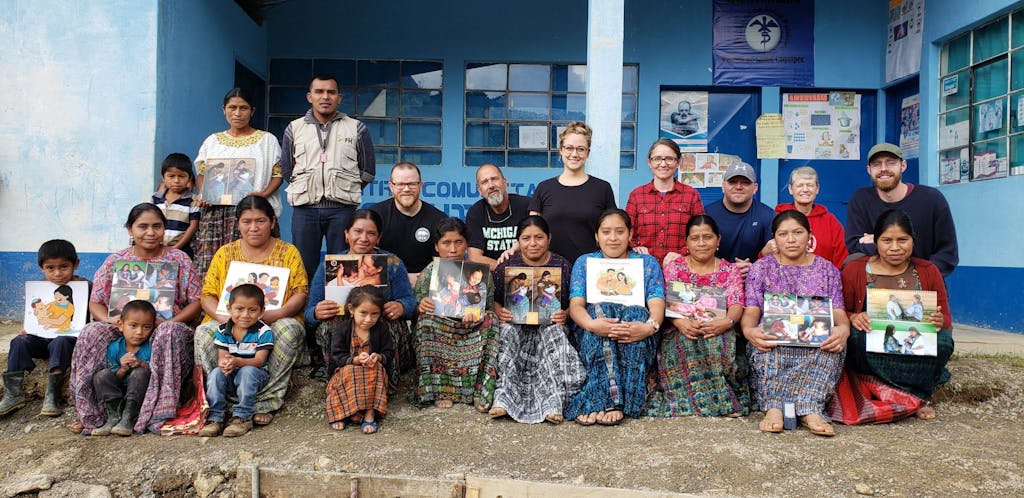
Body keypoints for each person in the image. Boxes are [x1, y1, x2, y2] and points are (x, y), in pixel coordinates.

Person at [70, 204, 202, 434]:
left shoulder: (179, 259)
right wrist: (111, 321)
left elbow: (197, 300)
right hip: (124, 328)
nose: (150, 232)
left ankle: (159, 409)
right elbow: (96, 301)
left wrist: (174, 321)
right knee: (92, 332)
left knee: (168, 332)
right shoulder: (115, 261)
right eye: (143, 226)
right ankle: (93, 412)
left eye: (157, 226)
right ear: (130, 230)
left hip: (167, 328)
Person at [195, 195, 309, 427]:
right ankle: (223, 403)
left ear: (273, 223)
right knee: (204, 332)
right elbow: (207, 295)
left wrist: (273, 316)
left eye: (261, 221)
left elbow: (300, 292)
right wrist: (224, 319)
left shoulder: (288, 253)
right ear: (238, 224)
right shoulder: (225, 253)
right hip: (229, 322)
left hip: (272, 320)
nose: (253, 227)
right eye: (246, 221)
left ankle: (265, 402)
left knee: (287, 329)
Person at [741, 210, 850, 437]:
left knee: (832, 348)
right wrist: (749, 330)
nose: (791, 240)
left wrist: (843, 329)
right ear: (774, 239)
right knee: (765, 349)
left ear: (809, 236)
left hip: (815, 343)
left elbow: (838, 312)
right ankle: (773, 408)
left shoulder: (827, 269)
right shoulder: (761, 268)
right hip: (774, 341)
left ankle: (810, 408)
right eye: (783, 234)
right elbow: (752, 309)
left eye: (798, 232)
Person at [842, 209, 953, 420]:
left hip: (913, 337)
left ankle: (914, 395)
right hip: (874, 338)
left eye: (902, 240)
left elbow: (946, 318)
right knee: (856, 340)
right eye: (887, 240)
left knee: (944, 343)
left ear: (913, 241)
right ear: (876, 241)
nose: (895, 247)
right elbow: (840, 311)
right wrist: (854, 317)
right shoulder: (855, 269)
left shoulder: (928, 270)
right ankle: (906, 396)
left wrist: (939, 320)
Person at [565, 209, 666, 426]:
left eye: (620, 231)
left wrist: (649, 327)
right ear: (596, 236)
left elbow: (656, 302)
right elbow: (576, 306)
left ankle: (607, 399)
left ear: (630, 234)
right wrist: (592, 324)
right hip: (595, 330)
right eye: (606, 232)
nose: (613, 238)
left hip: (636, 330)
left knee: (637, 313)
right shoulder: (585, 262)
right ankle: (611, 400)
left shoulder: (647, 263)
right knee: (601, 309)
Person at [646, 215, 749, 417]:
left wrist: (726, 322)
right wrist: (679, 322)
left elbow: (737, 304)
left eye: (707, 237)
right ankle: (698, 401)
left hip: (719, 326)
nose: (701, 243)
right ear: (686, 242)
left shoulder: (730, 270)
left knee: (714, 343)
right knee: (685, 343)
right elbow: (665, 301)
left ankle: (721, 400)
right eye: (695, 238)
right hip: (679, 327)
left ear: (718, 240)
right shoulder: (674, 268)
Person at [281, 74, 376, 284]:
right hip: (305, 210)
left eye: (331, 92)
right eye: (319, 92)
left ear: (339, 98)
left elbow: (368, 169)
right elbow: (287, 169)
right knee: (304, 267)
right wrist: (308, 188)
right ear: (309, 96)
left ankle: (341, 312)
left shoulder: (356, 128)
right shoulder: (294, 129)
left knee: (344, 265)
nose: (325, 97)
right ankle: (307, 313)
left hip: (342, 210)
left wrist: (344, 188)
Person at [489, 215, 584, 424]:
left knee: (556, 334)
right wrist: (499, 311)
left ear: (549, 238)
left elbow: (572, 302)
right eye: (526, 238)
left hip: (548, 325)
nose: (532, 243)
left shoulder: (562, 265)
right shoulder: (507, 266)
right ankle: (503, 399)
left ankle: (553, 403)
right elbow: (493, 300)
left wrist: (565, 314)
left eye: (539, 237)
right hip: (516, 324)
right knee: (505, 333)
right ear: (518, 241)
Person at [308, 209, 417, 387]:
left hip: (378, 325)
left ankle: (384, 381)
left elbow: (410, 302)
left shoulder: (392, 263)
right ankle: (341, 380)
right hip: (345, 328)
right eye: (357, 231)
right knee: (329, 327)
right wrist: (316, 312)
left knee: (388, 326)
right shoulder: (329, 266)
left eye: (371, 233)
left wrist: (401, 306)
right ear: (346, 234)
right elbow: (309, 312)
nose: (364, 238)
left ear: (379, 238)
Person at [194, 87, 284, 275]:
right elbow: (202, 173)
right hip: (216, 215)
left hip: (252, 211)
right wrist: (204, 193)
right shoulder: (213, 141)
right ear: (223, 110)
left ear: (252, 111)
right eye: (232, 107)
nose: (237, 113)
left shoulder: (266, 141)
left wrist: (263, 194)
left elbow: (278, 173)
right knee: (215, 266)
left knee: (252, 265)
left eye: (243, 108)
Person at [412, 218, 499, 410]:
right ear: (436, 246)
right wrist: (421, 306)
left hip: (470, 327)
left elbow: (488, 307)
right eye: (446, 243)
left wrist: (476, 314)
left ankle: (480, 391)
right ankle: (439, 391)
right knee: (426, 322)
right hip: (441, 329)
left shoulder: (481, 274)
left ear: (466, 245)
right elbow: (416, 310)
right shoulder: (429, 274)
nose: (453, 249)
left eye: (458, 242)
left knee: (492, 321)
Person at [1, 240, 86, 418]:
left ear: (75, 264)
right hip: (41, 339)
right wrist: (28, 327)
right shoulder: (39, 290)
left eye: (64, 267)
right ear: (41, 267)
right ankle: (13, 394)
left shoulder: (85, 287)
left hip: (67, 341)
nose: (57, 273)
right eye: (50, 268)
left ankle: (52, 395)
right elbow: (36, 316)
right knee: (19, 341)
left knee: (61, 341)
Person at [845, 143, 958, 276]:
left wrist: (918, 276)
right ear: (869, 170)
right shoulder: (861, 199)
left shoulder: (931, 199)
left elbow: (947, 253)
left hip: (923, 282)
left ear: (903, 166)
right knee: (850, 263)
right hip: (878, 282)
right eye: (877, 164)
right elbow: (854, 245)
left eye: (890, 163)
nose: (883, 169)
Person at [528, 121, 617, 263]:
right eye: (569, 148)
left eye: (581, 149)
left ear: (588, 152)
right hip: (551, 269)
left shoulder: (602, 188)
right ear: (561, 150)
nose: (574, 154)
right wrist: (515, 247)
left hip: (591, 267)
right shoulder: (544, 188)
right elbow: (531, 230)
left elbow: (613, 229)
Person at [198, 284, 273, 438]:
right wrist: (225, 365)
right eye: (239, 309)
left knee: (247, 371)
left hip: (256, 376)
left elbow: (259, 360)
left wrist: (237, 361)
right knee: (216, 373)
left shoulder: (264, 331)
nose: (245, 315)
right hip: (233, 373)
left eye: (252, 310)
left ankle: (242, 417)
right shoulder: (223, 330)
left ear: (262, 311)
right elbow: (222, 357)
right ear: (229, 308)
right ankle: (215, 418)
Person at [325, 286, 394, 434]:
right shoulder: (342, 329)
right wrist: (355, 360)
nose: (369, 319)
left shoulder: (381, 329)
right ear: (351, 309)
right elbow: (337, 356)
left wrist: (378, 357)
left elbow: (389, 352)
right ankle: (342, 414)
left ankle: (370, 414)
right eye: (363, 313)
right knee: (350, 371)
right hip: (345, 373)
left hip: (372, 375)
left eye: (375, 314)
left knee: (374, 369)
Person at [625, 139, 705, 265]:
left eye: (669, 158)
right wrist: (635, 248)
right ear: (649, 162)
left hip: (680, 268)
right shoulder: (636, 195)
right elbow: (626, 231)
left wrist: (683, 253)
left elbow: (701, 233)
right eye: (657, 159)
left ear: (678, 162)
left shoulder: (691, 195)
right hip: (644, 268)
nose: (663, 164)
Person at [369, 162, 447, 278]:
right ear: (391, 186)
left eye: (412, 184)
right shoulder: (375, 215)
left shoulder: (439, 219)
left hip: (423, 284)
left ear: (421, 185)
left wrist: (421, 280)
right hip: (383, 281)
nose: (406, 189)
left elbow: (443, 260)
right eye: (400, 184)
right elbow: (365, 253)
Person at [89, 300, 155, 437]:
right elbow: (115, 377)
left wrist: (142, 364)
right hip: (118, 391)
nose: (139, 332)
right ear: (120, 325)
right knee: (101, 375)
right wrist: (123, 369)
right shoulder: (114, 347)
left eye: (147, 327)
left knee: (140, 373)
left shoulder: (151, 347)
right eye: (133, 326)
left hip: (139, 394)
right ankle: (114, 416)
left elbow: (155, 374)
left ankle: (129, 417)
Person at [703, 162, 775, 277]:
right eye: (732, 182)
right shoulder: (706, 214)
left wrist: (754, 267)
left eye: (745, 183)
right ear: (723, 186)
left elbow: (777, 260)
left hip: (754, 280)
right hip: (715, 280)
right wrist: (728, 270)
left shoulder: (767, 215)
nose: (738, 187)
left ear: (755, 188)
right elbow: (698, 254)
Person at [769, 166, 848, 268]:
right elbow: (765, 255)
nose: (805, 190)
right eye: (800, 185)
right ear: (790, 189)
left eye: (810, 185)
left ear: (817, 189)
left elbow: (841, 259)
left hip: (823, 280)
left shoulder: (830, 222)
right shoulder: (776, 218)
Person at [466, 164, 531, 270]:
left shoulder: (526, 205)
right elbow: (475, 257)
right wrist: (506, 271)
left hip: (526, 272)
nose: (491, 185)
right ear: (479, 190)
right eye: (484, 182)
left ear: (505, 182)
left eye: (494, 179)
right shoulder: (475, 212)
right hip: (492, 276)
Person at [152, 153, 199, 259]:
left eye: (181, 176)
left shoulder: (193, 200)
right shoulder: (155, 198)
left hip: (182, 251)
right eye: (171, 176)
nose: (176, 181)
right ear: (163, 177)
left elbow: (193, 226)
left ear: (189, 178)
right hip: (156, 250)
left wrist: (175, 248)